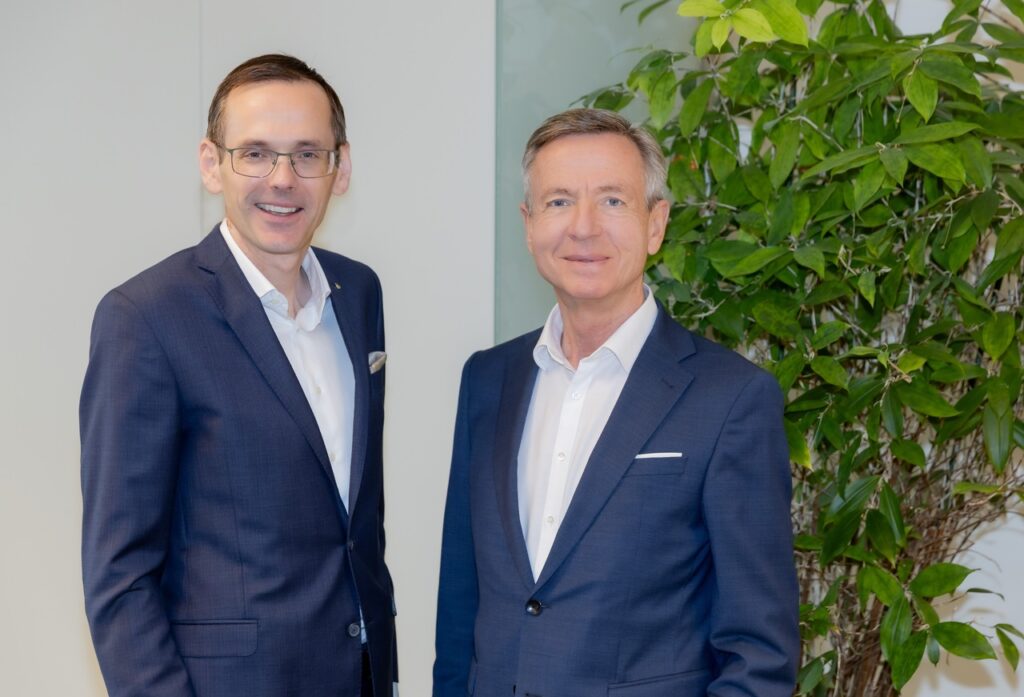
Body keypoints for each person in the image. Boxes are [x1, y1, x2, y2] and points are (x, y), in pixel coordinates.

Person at [433, 108, 799, 697]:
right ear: (528, 224)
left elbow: (758, 654)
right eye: (558, 201)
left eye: (612, 201)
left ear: (656, 224)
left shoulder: (731, 398)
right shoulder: (487, 380)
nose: (583, 227)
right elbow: (460, 611)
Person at [81, 54, 396, 697]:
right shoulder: (145, 317)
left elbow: (354, 524)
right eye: (254, 153)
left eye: (307, 154)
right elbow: (120, 576)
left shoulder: (359, 292)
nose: (282, 179)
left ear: (340, 168)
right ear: (211, 163)